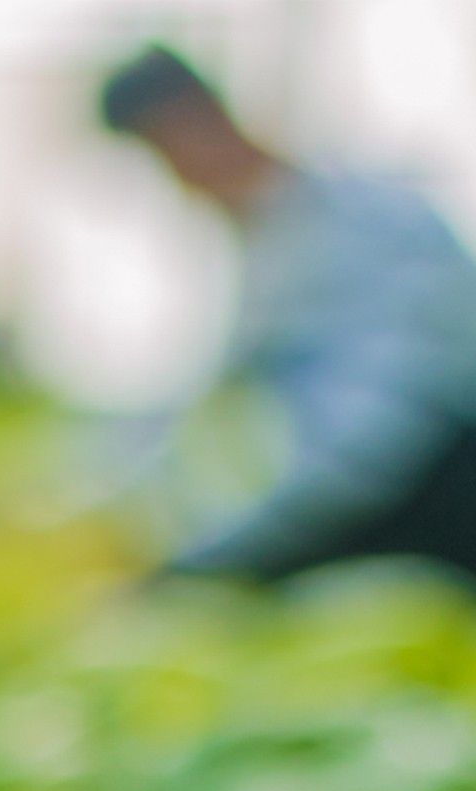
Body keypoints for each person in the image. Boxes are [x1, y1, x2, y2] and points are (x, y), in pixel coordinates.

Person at [99, 44, 476, 582]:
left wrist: (214, 559)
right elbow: (197, 408)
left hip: (437, 500)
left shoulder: (363, 226)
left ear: (191, 123)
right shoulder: (261, 247)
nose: (174, 183)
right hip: (370, 501)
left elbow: (369, 439)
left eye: (162, 156)